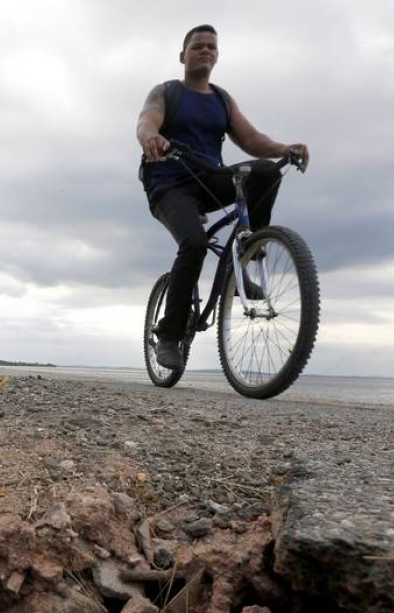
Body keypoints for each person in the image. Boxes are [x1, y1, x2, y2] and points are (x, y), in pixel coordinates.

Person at [137, 24, 310, 371]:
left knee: (265, 171)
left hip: (209, 180)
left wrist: (284, 148)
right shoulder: (166, 92)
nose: (205, 51)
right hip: (169, 185)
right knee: (195, 244)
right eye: (198, 46)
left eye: (212, 47)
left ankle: (244, 258)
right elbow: (146, 122)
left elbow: (251, 139)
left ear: (217, 56)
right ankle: (169, 335)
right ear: (182, 55)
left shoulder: (221, 100)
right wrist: (151, 137)